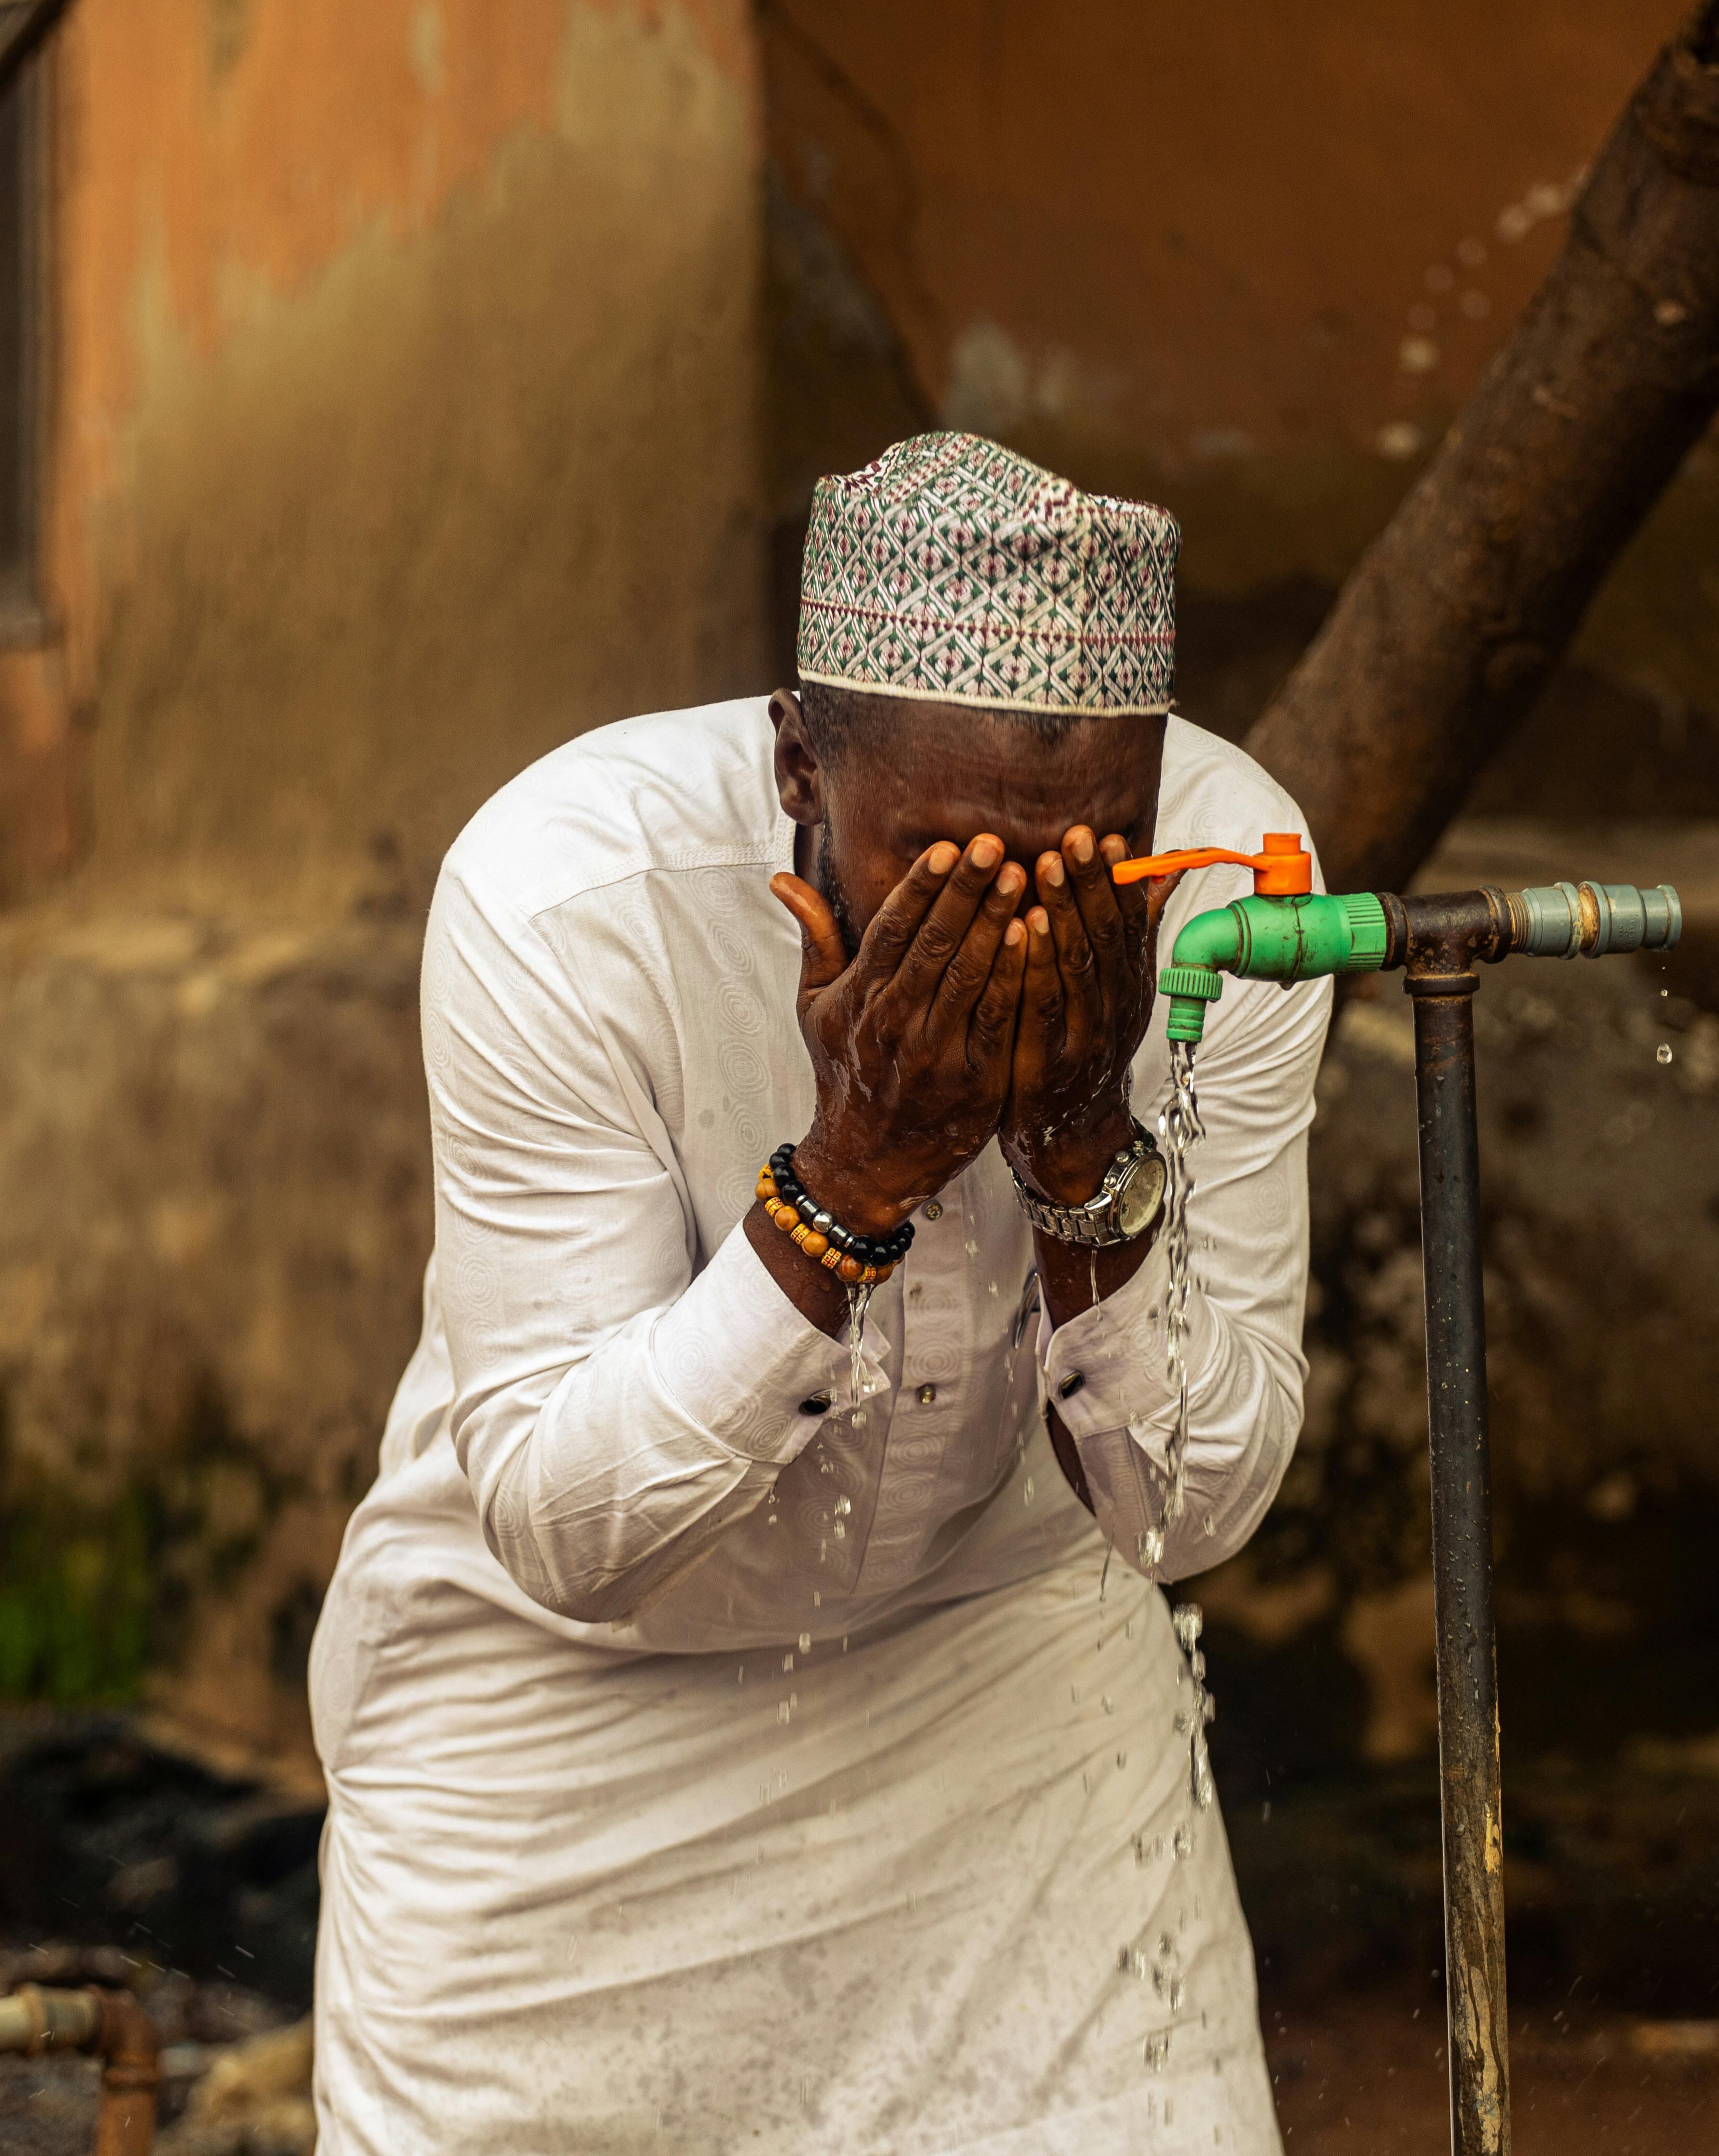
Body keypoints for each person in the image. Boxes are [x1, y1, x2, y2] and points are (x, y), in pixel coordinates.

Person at [308, 432, 1332, 2151]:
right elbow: (569, 1527)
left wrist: (1085, 1151)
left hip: (1000, 1681)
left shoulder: (1234, 888)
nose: (1022, 928)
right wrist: (854, 1174)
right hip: (568, 1729)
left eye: (1095, 863)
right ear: (799, 759)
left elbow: (1192, 1510)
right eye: (940, 866)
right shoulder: (566, 899)